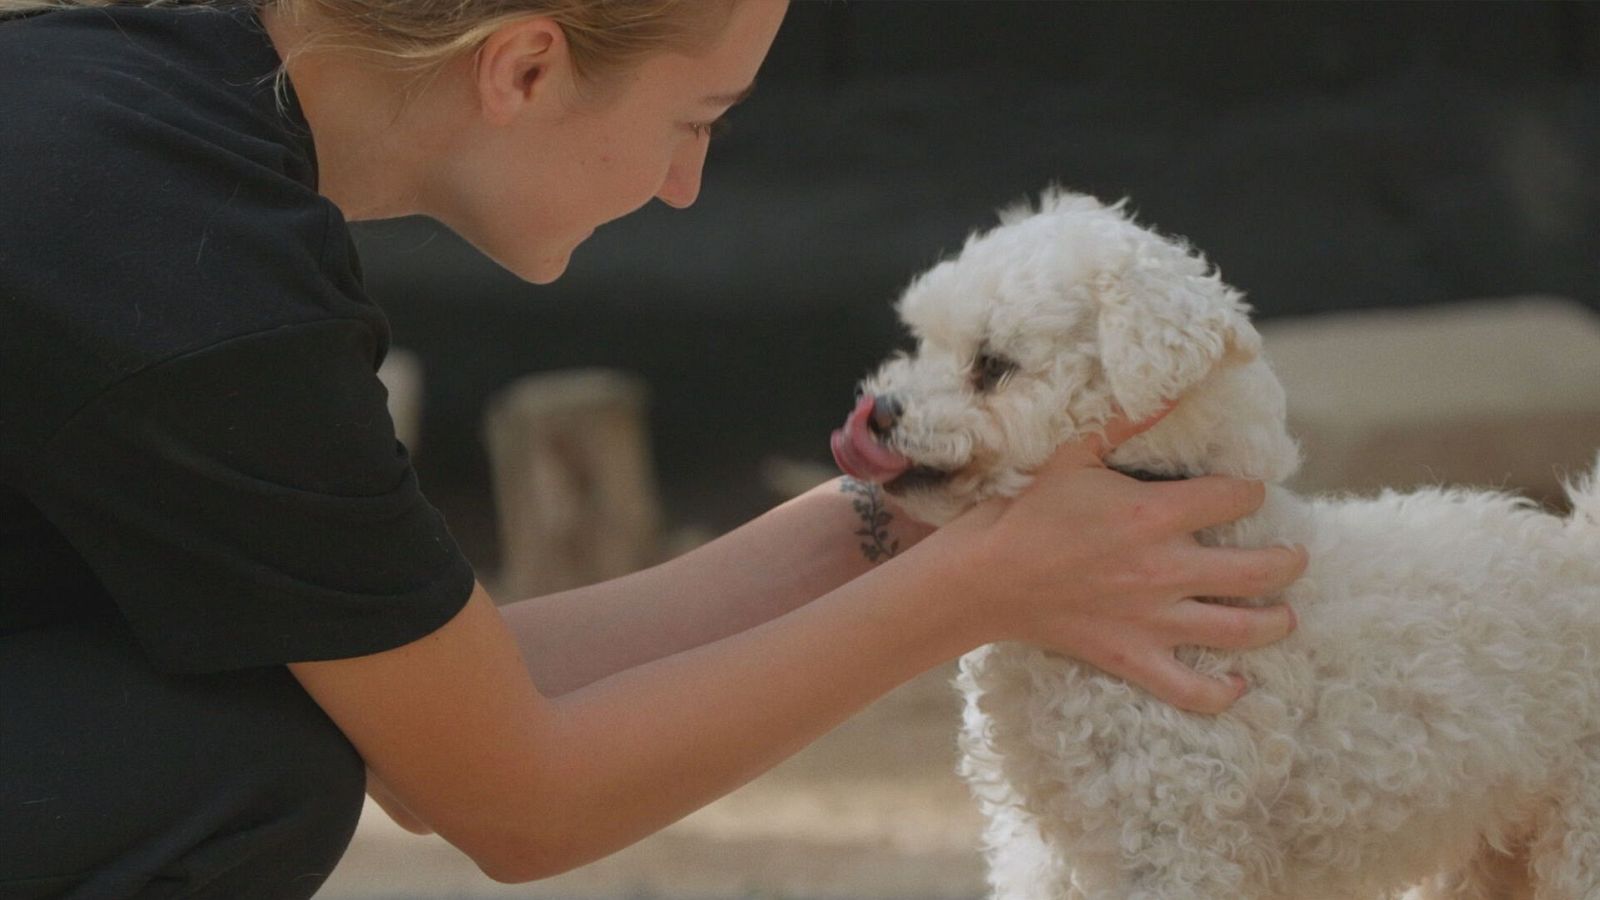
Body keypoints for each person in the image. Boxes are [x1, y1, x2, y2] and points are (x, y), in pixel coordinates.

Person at [0, 0, 1307, 896]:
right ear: (523, 67)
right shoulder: (203, 282)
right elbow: (513, 799)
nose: (688, 186)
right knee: (244, 762)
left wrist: (900, 519)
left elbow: (453, 706)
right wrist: (981, 585)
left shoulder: (149, 108)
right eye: (701, 118)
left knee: (271, 716)